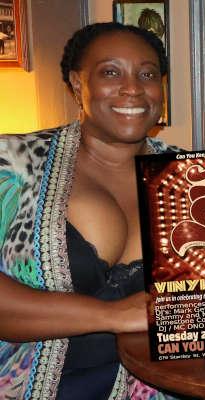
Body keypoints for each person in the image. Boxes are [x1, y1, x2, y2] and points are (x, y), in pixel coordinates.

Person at [0, 22, 179, 399]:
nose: (133, 88)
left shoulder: (193, 178)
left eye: (147, 74)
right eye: (111, 72)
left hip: (159, 388)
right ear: (77, 83)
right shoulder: (13, 163)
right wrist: (113, 316)